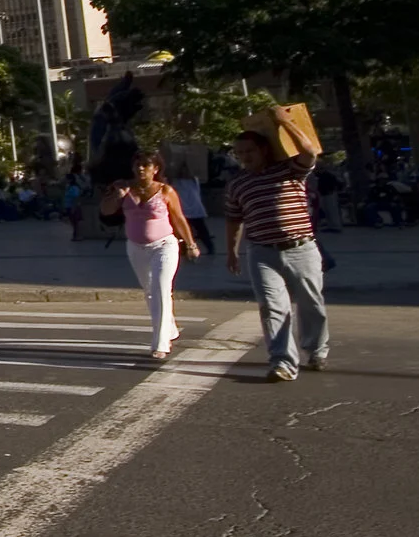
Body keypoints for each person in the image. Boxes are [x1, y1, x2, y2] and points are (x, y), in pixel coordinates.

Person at [225, 106, 328, 381]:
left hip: (301, 249)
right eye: (240, 153)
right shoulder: (238, 185)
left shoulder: (291, 170)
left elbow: (309, 152)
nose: (245, 157)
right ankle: (282, 362)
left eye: (250, 151)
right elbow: (234, 220)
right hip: (261, 252)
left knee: (311, 304)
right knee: (272, 307)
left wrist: (285, 123)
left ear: (264, 150)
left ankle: (316, 349)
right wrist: (231, 251)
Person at [101, 152, 200, 359]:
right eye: (137, 165)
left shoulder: (165, 190)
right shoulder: (123, 187)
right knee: (149, 291)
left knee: (161, 289)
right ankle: (170, 328)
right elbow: (106, 211)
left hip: (164, 245)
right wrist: (117, 196)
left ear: (155, 169)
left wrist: (190, 244)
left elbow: (179, 218)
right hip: (136, 247)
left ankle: (161, 343)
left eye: (146, 165)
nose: (141, 169)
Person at [167, 156, 214, 255]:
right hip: (183, 210)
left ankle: (210, 248)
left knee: (202, 231)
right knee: (183, 231)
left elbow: (196, 174)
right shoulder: (176, 182)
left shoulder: (193, 181)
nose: (185, 172)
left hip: (195, 210)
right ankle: (184, 250)